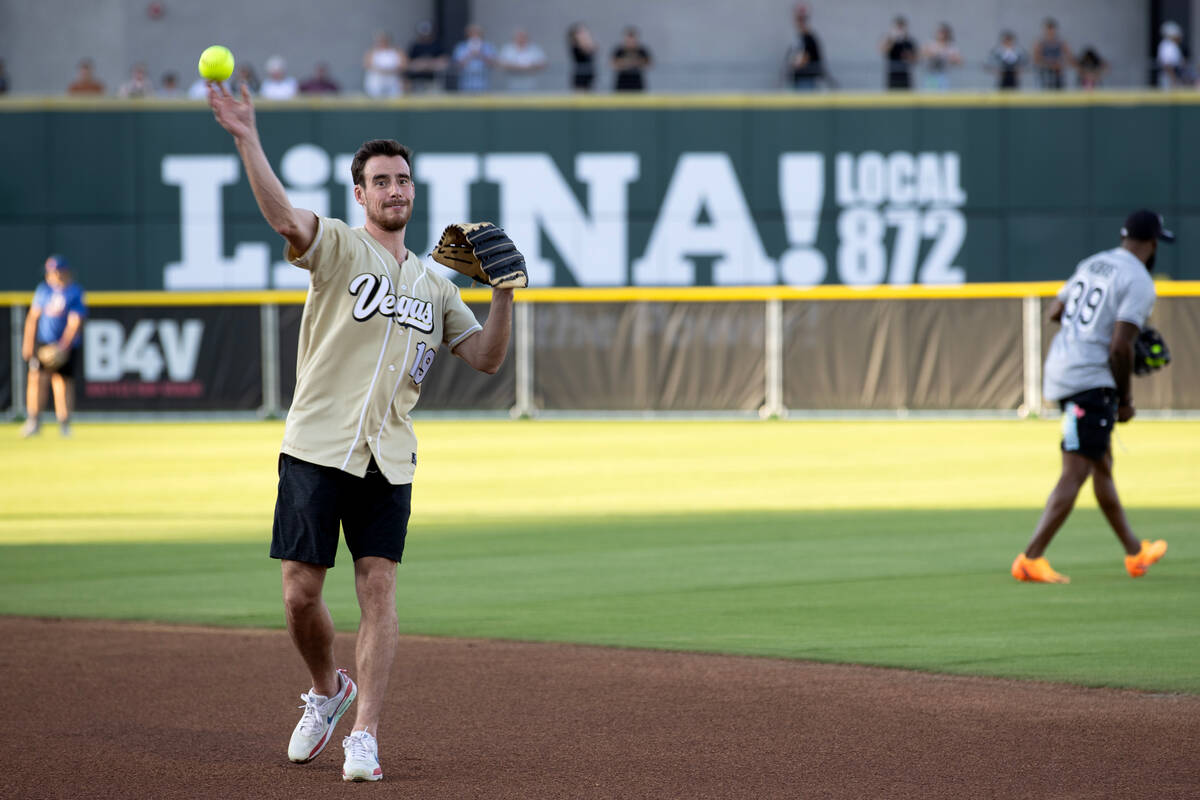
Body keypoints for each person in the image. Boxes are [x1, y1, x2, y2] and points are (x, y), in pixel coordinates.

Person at [205, 80, 515, 782]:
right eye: (381, 181)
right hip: (316, 443)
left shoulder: (437, 287)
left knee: (378, 590)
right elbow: (285, 216)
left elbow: (488, 358)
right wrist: (247, 136)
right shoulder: (340, 248)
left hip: (389, 457)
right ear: (360, 194)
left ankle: (365, 735)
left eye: (403, 179)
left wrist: (503, 292)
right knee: (299, 594)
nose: (395, 189)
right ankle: (327, 690)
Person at [1012, 210, 1174, 584]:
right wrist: (1126, 400)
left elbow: (1056, 311)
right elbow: (1120, 347)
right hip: (1089, 379)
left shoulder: (1094, 262)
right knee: (1076, 471)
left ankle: (1135, 553)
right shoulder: (1138, 280)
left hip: (1063, 368)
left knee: (1100, 463)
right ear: (1151, 245)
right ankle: (1030, 558)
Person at [21, 255, 86, 438]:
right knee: (36, 380)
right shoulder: (43, 290)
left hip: (64, 345)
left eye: (55, 271)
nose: (51, 275)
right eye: (49, 272)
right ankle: (33, 421)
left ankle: (64, 423)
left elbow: (75, 321)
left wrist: (63, 346)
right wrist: (28, 343)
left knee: (62, 382)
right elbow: (33, 318)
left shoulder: (74, 291)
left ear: (63, 272)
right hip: (43, 342)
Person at [786, 3, 824, 91]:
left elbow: (805, 58)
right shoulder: (801, 38)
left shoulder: (809, 38)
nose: (798, 23)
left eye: (801, 20)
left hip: (806, 79)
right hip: (801, 79)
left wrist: (794, 63)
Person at [452, 23, 497, 92]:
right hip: (465, 84)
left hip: (483, 85)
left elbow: (493, 64)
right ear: (468, 34)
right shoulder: (461, 47)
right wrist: (470, 55)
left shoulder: (488, 46)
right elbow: (457, 65)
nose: (475, 35)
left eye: (478, 32)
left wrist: (480, 54)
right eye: (472, 32)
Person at [406, 21, 449, 93]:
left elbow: (444, 62)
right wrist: (425, 64)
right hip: (417, 81)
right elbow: (409, 64)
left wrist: (426, 64)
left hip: (434, 80)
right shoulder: (415, 46)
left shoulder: (437, 45)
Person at [1032, 18, 1073, 90]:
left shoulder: (1061, 42)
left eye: (1052, 29)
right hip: (1045, 72)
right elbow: (1036, 59)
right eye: (1048, 29)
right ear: (1045, 30)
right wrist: (1049, 63)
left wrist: (1061, 64)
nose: (1050, 31)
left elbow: (1069, 57)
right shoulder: (1040, 43)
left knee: (1059, 91)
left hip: (1057, 72)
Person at [920, 22, 962, 90]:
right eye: (940, 32)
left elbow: (959, 61)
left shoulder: (951, 46)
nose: (942, 35)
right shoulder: (931, 43)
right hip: (931, 74)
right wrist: (933, 54)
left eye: (944, 32)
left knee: (942, 96)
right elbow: (921, 54)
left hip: (943, 75)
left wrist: (948, 57)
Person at [363, 31, 405, 98]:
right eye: (380, 40)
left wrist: (390, 70)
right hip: (377, 80)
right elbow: (367, 65)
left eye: (384, 40)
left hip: (393, 80)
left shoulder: (397, 51)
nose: (382, 42)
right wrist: (381, 70)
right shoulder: (372, 52)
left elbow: (404, 65)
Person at [880, 16, 917, 90]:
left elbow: (914, 60)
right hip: (892, 74)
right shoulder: (889, 40)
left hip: (905, 75)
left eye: (901, 27)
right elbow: (883, 50)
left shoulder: (908, 42)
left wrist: (907, 55)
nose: (900, 30)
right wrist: (893, 39)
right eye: (898, 27)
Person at [611, 26, 652, 92]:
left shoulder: (641, 50)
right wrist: (626, 63)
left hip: (637, 83)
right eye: (628, 39)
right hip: (622, 83)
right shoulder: (619, 50)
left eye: (632, 39)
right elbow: (613, 64)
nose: (630, 41)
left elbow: (649, 64)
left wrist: (634, 63)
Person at [1157, 21, 1192, 89]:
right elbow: (1167, 65)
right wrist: (1173, 79)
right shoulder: (1167, 45)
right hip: (1170, 76)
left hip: (1175, 75)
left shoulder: (1173, 45)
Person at [567, 22, 596, 91]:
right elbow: (586, 49)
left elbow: (594, 48)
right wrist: (584, 38)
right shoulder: (575, 45)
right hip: (580, 75)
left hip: (588, 74)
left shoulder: (586, 43)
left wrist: (586, 37)